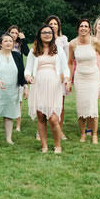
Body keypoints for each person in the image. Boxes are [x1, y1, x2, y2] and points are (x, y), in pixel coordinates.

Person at [25, 25, 68, 153]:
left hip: (54, 86)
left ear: (53, 35)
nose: (47, 34)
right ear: (39, 34)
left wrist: (66, 78)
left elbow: (65, 68)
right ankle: (44, 146)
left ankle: (57, 146)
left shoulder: (58, 50)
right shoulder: (33, 50)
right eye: (44, 32)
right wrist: (28, 77)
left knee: (54, 118)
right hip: (38, 85)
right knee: (41, 116)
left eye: (49, 32)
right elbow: (28, 68)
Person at [68, 18, 100, 144]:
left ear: (90, 29)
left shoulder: (94, 42)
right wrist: (69, 79)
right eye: (81, 26)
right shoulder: (73, 44)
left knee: (92, 105)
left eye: (86, 26)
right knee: (81, 106)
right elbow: (70, 63)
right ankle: (83, 134)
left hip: (93, 77)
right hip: (80, 77)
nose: (83, 28)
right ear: (78, 28)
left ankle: (94, 135)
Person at [0, 33, 26, 147]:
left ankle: (9, 139)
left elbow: (21, 72)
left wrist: (25, 86)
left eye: (11, 41)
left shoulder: (17, 56)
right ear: (1, 43)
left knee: (9, 114)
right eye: (6, 41)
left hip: (12, 90)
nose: (8, 43)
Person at [46, 15, 69, 139]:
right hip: (47, 73)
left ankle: (60, 130)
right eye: (51, 23)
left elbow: (67, 57)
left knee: (61, 104)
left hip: (60, 75)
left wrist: (65, 75)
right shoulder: (43, 39)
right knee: (46, 102)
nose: (53, 26)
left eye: (55, 24)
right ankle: (41, 130)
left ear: (58, 26)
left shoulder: (63, 39)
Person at [7, 24, 29, 132]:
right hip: (7, 74)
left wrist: (23, 40)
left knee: (19, 101)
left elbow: (27, 53)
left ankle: (18, 125)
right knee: (8, 100)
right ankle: (8, 122)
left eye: (16, 33)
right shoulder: (5, 44)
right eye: (12, 33)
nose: (14, 35)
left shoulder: (20, 44)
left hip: (19, 73)